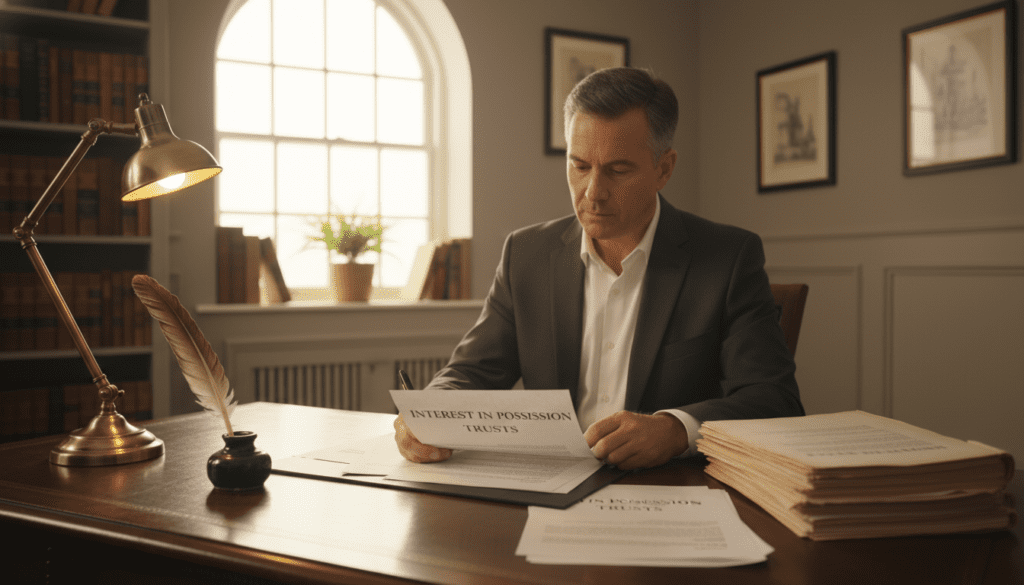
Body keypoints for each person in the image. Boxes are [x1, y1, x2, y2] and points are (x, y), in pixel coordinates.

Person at [394, 67, 803, 470]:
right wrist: (427, 412)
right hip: (551, 487)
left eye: (618, 169)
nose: (593, 192)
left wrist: (676, 429)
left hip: (672, 489)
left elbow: (774, 400)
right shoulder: (526, 254)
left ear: (664, 168)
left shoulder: (728, 258)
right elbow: (470, 372)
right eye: (580, 165)